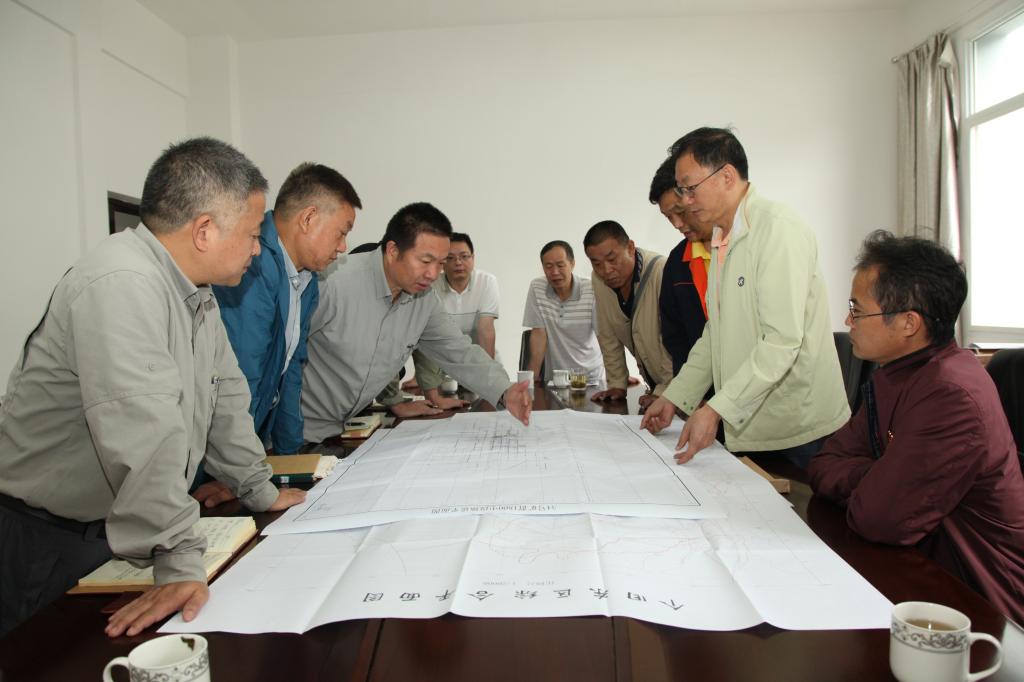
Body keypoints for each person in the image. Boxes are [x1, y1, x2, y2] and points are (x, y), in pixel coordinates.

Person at [0, 138, 306, 638]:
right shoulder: (122, 282)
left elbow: (226, 398)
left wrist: (258, 489)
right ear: (204, 230)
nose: (258, 249)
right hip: (47, 536)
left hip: (112, 527)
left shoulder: (196, 293)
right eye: (253, 234)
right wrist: (181, 559)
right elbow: (145, 431)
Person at [808, 232, 1024, 624]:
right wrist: (880, 475)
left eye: (857, 309)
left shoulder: (950, 394)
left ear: (909, 323)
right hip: (921, 572)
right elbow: (825, 462)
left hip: (981, 606)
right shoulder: (898, 375)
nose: (847, 321)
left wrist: (879, 481)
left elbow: (878, 517)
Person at [642, 127, 849, 468]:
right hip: (754, 421)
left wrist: (716, 409)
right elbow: (715, 334)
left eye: (690, 188)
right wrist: (675, 397)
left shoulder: (778, 229)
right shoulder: (722, 237)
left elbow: (781, 342)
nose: (686, 201)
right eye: (681, 190)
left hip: (799, 427)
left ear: (726, 176)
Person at [300, 202, 531, 442]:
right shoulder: (332, 283)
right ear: (393, 251)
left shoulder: (423, 299)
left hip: (342, 432)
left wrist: (505, 391)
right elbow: (282, 357)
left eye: (440, 263)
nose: (433, 274)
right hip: (296, 430)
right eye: (425, 261)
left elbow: (458, 351)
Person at [213, 162, 361, 454]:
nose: (343, 247)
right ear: (308, 219)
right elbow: (245, 374)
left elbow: (291, 369)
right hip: (224, 449)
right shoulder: (254, 265)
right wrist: (239, 466)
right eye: (341, 233)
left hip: (249, 443)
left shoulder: (307, 279)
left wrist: (291, 457)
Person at [585, 221, 674, 411]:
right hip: (655, 384)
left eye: (612, 259)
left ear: (631, 248)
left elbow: (673, 340)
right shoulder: (599, 280)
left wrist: (665, 392)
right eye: (596, 263)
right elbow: (607, 332)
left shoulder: (662, 271)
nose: (606, 270)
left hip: (679, 386)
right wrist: (617, 383)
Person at [410, 232, 500, 409]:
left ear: (473, 258)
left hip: (478, 360)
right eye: (450, 258)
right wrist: (419, 377)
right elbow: (424, 334)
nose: (458, 263)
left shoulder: (487, 282)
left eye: (464, 256)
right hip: (442, 367)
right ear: (442, 262)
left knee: (487, 411)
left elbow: (486, 329)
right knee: (444, 412)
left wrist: (486, 375)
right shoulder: (430, 285)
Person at [649, 157, 711, 375]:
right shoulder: (677, 262)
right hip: (700, 387)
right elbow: (675, 337)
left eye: (680, 211)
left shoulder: (742, 250)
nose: (677, 224)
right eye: (668, 217)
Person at [522, 240, 604, 384]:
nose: (555, 272)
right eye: (548, 266)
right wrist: (531, 380)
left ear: (572, 264)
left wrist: (619, 376)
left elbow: (603, 336)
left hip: (590, 378)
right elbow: (539, 334)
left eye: (560, 265)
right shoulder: (537, 287)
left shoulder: (591, 289)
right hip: (556, 379)